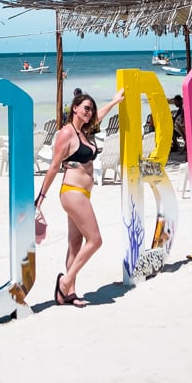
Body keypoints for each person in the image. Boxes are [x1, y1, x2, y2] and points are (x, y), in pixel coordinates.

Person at [35, 87, 125, 308]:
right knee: (95, 240)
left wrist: (114, 102)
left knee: (75, 243)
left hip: (83, 193)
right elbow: (55, 165)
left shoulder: (83, 132)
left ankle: (69, 294)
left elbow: (99, 116)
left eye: (90, 109)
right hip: (72, 192)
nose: (89, 112)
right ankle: (64, 282)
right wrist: (41, 198)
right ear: (74, 108)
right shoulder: (67, 133)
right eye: (85, 108)